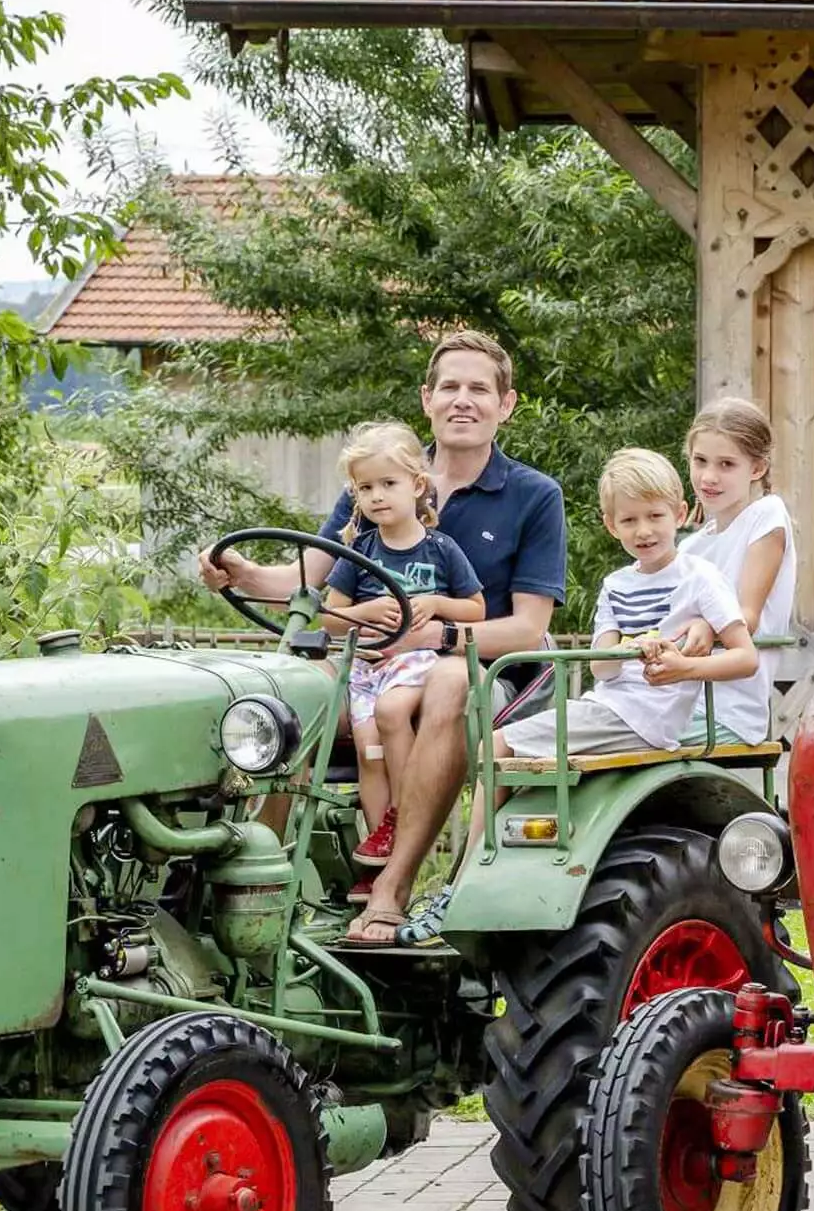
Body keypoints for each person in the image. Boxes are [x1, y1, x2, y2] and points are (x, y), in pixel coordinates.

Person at [197, 331, 566, 941]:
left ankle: (393, 889)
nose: (462, 400)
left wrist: (439, 637)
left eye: (479, 388)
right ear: (427, 399)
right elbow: (311, 583)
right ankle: (253, 886)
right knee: (286, 692)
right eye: (450, 387)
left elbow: (527, 627)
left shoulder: (532, 496)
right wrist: (241, 573)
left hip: (488, 673)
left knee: (446, 684)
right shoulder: (379, 477)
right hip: (374, 665)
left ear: (506, 405)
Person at [503, 449, 757, 761]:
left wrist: (686, 669)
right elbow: (603, 669)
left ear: (679, 514)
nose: (644, 531)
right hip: (609, 706)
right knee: (510, 750)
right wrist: (628, 649)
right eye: (629, 520)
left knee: (496, 744)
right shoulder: (615, 585)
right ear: (611, 526)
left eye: (655, 516)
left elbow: (746, 658)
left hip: (647, 718)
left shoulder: (700, 577)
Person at [319, 422, 486, 873]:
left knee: (392, 713)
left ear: (416, 485)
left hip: (416, 662)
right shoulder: (360, 552)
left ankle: (402, 813)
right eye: (365, 488)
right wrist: (366, 613)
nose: (376, 497)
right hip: (367, 663)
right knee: (368, 747)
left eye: (387, 484)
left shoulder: (440, 549)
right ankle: (382, 846)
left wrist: (433, 603)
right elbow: (330, 617)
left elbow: (475, 608)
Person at [677, 396, 800, 742]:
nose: (708, 477)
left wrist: (702, 626)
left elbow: (748, 615)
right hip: (675, 700)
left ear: (757, 469)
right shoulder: (690, 546)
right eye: (700, 461)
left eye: (726, 464)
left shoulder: (766, 516)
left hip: (726, 710)